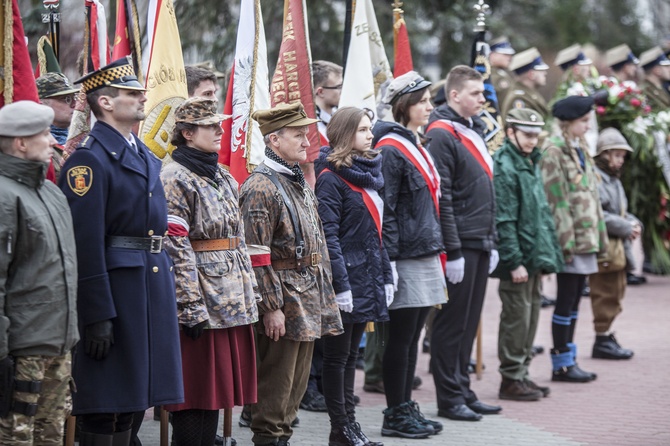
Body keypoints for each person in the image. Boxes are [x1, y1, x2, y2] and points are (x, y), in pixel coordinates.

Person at [58, 57, 184, 444]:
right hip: (117, 291)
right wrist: (96, 314)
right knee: (105, 404)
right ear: (106, 103)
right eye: (131, 93)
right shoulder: (89, 160)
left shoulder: (143, 154)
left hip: (149, 284)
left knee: (134, 399)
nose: (143, 96)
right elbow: (84, 242)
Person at [239, 102, 343, 446]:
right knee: (275, 391)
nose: (306, 141)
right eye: (298, 135)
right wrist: (270, 307)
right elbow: (256, 254)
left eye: (306, 133)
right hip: (283, 298)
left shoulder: (294, 178)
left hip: (307, 296)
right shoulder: (260, 186)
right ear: (274, 140)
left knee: (293, 394)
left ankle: (279, 438)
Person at [160, 97, 259, 445]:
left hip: (230, 298)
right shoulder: (174, 177)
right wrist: (189, 305)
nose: (220, 130)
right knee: (194, 395)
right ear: (187, 133)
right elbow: (176, 246)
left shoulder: (220, 173)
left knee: (215, 396)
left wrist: (251, 292)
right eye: (210, 126)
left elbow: (238, 237)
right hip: (201, 299)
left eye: (220, 124)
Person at [0, 101, 79, 445]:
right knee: (17, 437)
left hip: (58, 342)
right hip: (22, 348)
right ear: (20, 143)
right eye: (44, 134)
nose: (52, 141)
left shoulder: (50, 192)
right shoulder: (5, 196)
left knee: (51, 434)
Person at [425, 65, 500, 422]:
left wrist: (493, 239)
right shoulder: (442, 133)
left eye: (483, 93)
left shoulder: (471, 129)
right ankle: (449, 397)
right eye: (476, 93)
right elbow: (445, 197)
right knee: (451, 324)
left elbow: (485, 188)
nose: (483, 100)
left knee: (469, 323)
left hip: (479, 239)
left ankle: (463, 388)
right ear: (455, 95)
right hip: (461, 243)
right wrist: (452, 251)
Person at [374, 71, 446, 437]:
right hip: (405, 257)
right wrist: (390, 263)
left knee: (413, 338)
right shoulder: (390, 148)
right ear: (403, 106)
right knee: (401, 339)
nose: (429, 107)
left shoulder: (414, 142)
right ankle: (394, 415)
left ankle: (405, 407)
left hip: (423, 251)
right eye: (422, 102)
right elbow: (385, 209)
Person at [315, 106, 390, 445]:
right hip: (345, 280)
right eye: (362, 130)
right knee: (337, 357)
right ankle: (339, 427)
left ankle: (350, 425)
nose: (370, 135)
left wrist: (387, 275)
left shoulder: (370, 172)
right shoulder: (331, 177)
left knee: (351, 358)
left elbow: (376, 232)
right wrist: (341, 286)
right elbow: (329, 235)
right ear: (345, 135)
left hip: (368, 276)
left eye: (369, 129)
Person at [491, 108, 564, 401]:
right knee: (516, 319)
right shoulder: (505, 164)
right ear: (510, 133)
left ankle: (522, 373)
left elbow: (541, 215)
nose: (533, 140)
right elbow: (504, 219)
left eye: (536, 134)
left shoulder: (529, 160)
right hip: (518, 260)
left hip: (533, 256)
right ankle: (510, 378)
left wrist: (545, 258)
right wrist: (515, 261)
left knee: (531, 316)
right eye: (527, 134)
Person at [540, 95, 608, 383]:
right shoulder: (554, 151)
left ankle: (570, 358)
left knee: (575, 301)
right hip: (571, 240)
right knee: (566, 301)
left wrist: (600, 239)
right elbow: (557, 201)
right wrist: (565, 243)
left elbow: (591, 197)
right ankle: (561, 363)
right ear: (568, 123)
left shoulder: (579, 148)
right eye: (583, 121)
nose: (588, 125)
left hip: (586, 237)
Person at [589, 128, 640, 360]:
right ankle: (601, 338)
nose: (620, 160)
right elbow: (599, 214)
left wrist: (633, 222)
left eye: (622, 156)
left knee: (616, 292)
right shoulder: (597, 178)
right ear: (605, 154)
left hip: (617, 248)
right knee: (605, 293)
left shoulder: (614, 179)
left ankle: (607, 334)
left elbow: (621, 211)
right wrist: (626, 226)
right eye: (617, 155)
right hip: (605, 248)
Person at [36, 72, 80, 181]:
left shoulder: (79, 141)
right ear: (41, 105)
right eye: (66, 99)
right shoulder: (36, 148)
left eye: (74, 97)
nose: (74, 104)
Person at [502, 47, 549, 120]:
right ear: (531, 74)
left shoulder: (530, 93)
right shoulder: (519, 98)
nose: (545, 73)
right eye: (541, 70)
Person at [312, 60, 344, 146]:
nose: (343, 90)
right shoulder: (311, 128)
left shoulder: (341, 118)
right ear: (321, 92)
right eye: (339, 86)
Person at [639, 46, 670, 113]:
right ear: (657, 71)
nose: (669, 69)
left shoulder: (659, 88)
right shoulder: (644, 94)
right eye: (667, 66)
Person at [489, 36, 517, 109]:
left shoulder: (502, 74)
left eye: (510, 55)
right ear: (492, 55)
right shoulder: (488, 75)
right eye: (505, 54)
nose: (509, 58)